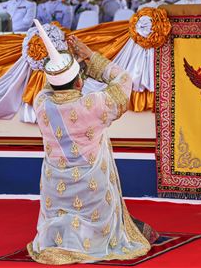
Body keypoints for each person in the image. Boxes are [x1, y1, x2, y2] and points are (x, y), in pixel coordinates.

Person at [27, 19, 156, 264]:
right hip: (93, 192)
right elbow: (123, 80)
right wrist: (89, 56)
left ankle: (61, 238)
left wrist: (65, 65)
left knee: (61, 206)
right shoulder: (93, 104)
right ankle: (93, 240)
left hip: (56, 191)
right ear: (79, 82)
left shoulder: (41, 104)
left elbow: (53, 84)